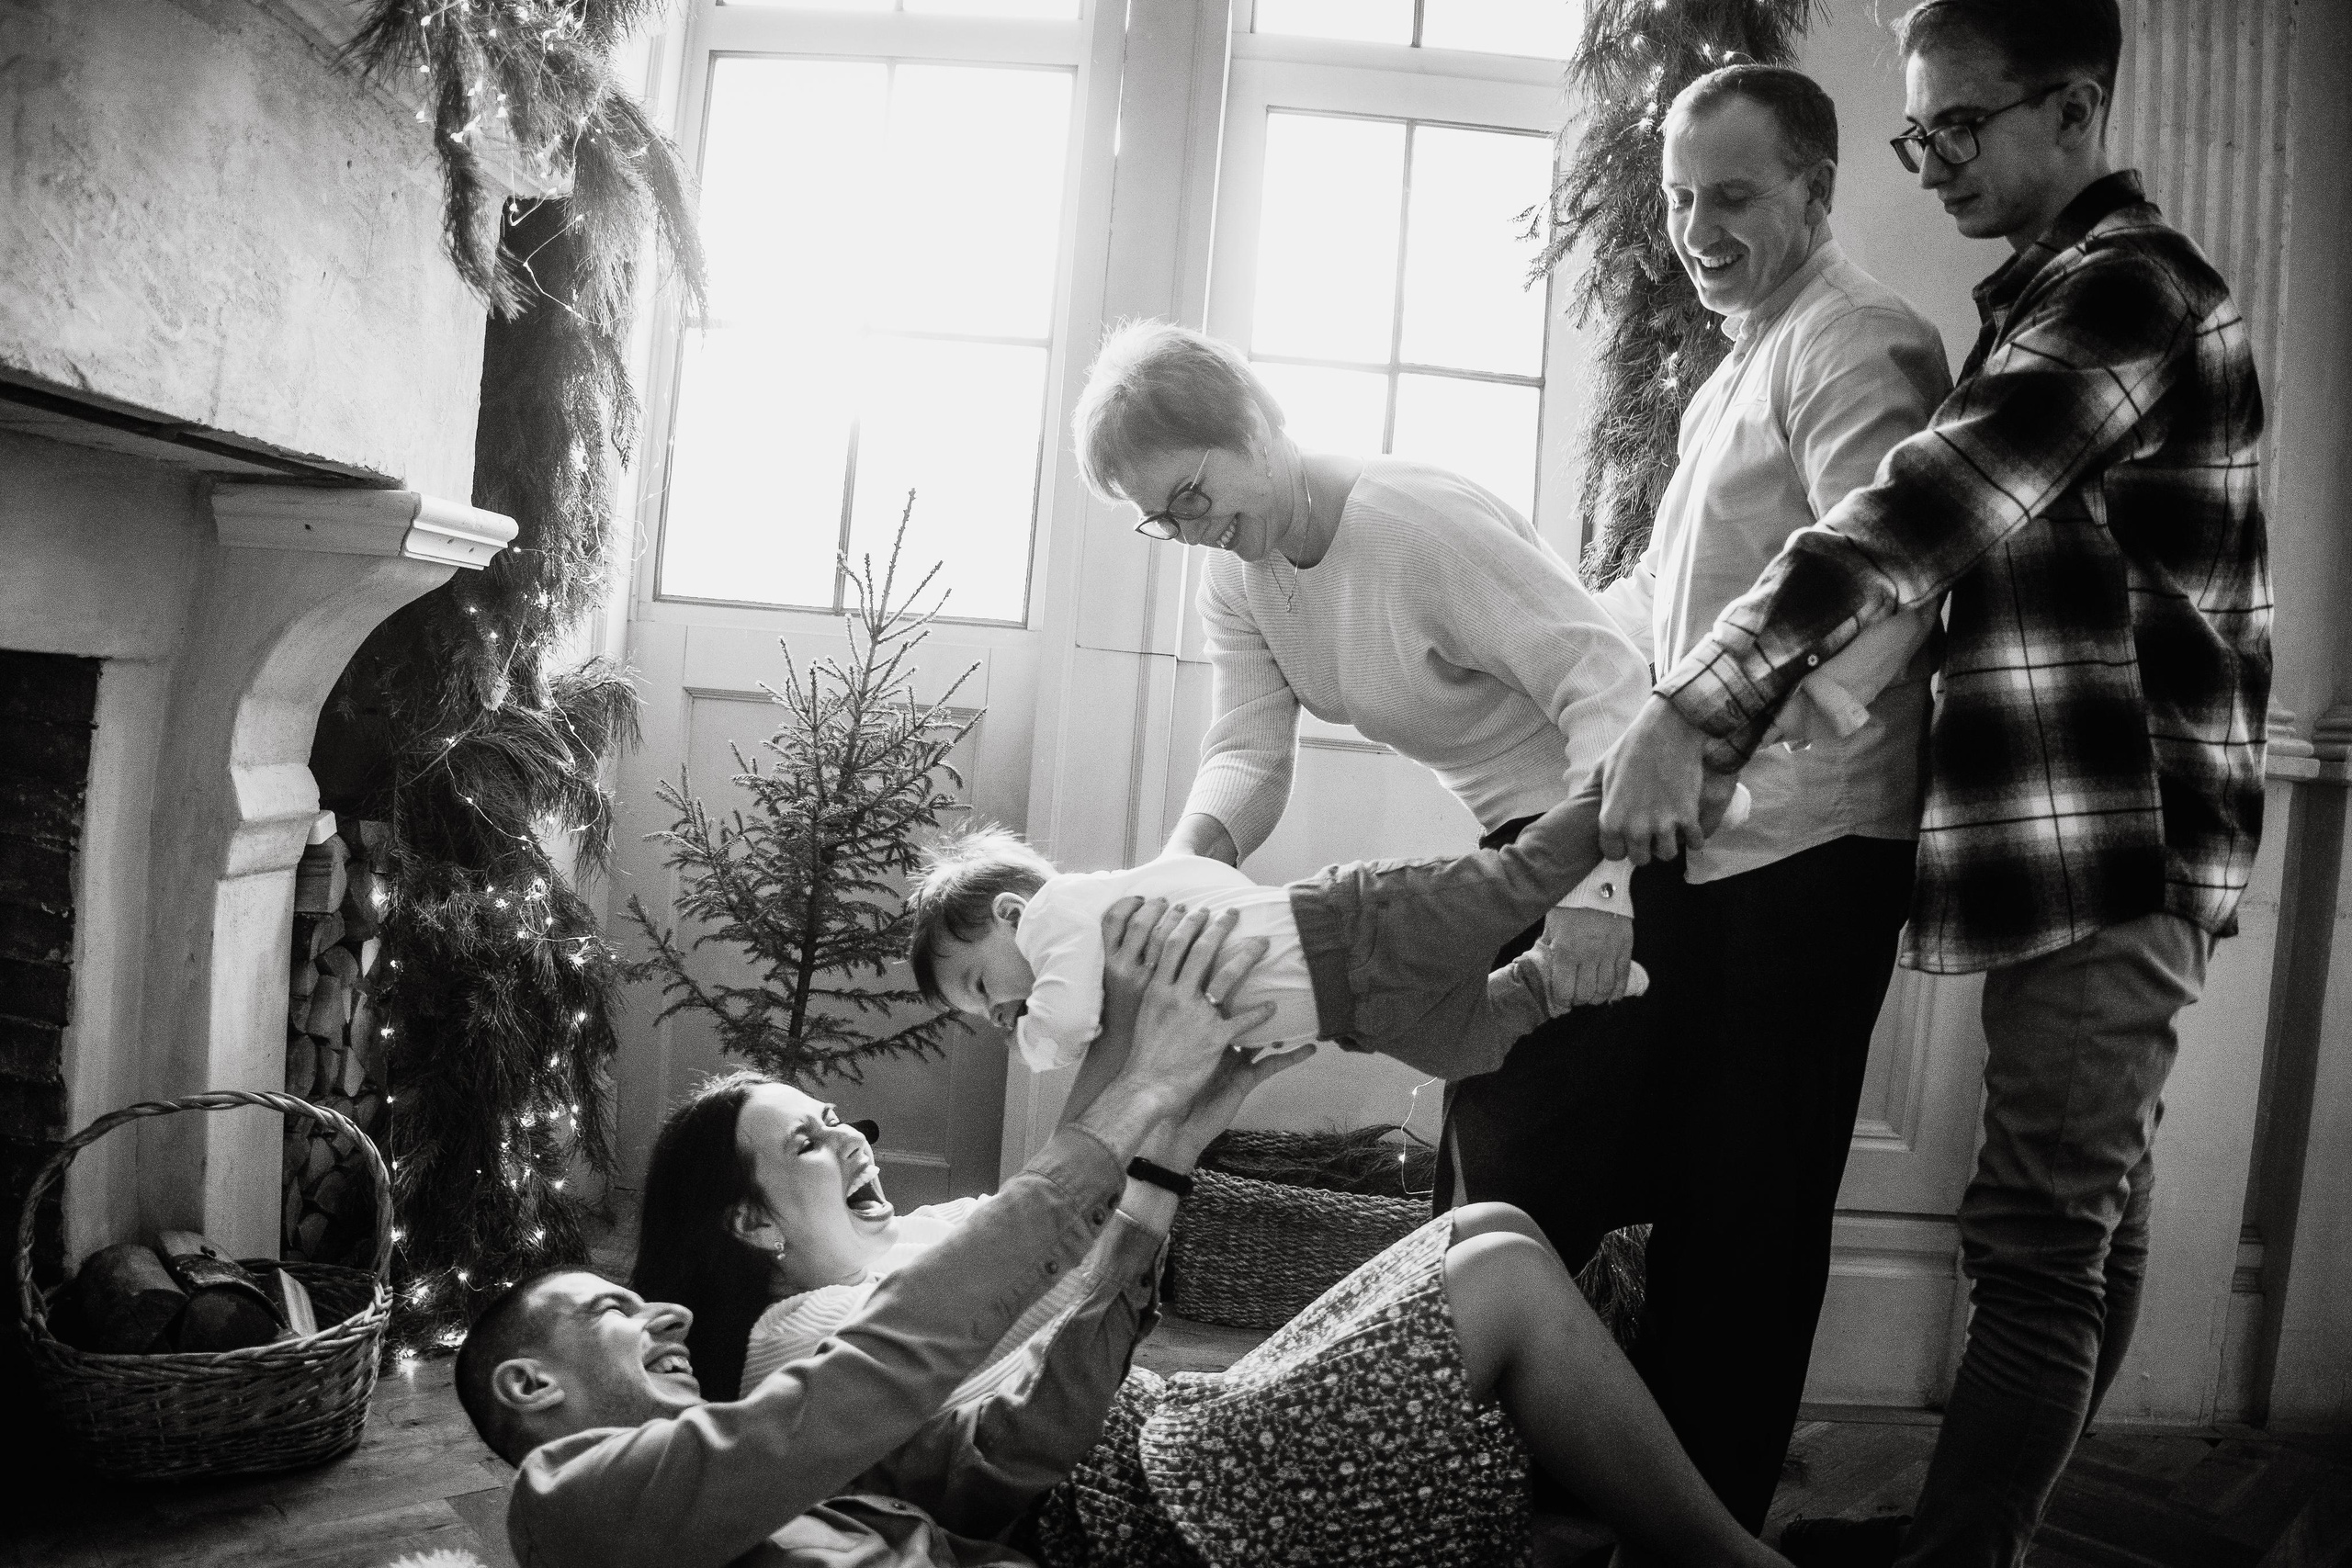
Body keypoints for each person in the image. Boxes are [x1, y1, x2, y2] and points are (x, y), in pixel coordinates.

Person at [1596, 4, 2270, 1564]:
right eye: (1922, 132)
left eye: (1958, 128)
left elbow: (1913, 518)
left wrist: (1694, 709)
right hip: (2082, 842)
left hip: (2114, 840)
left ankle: (1962, 1555)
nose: (1938, 160)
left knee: (2041, 1245)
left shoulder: (2127, 294)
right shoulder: (2048, 296)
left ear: (2077, 107)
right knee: (2083, 1230)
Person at [469, 902, 1801, 1568]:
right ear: (748, 1222)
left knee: (1494, 1236)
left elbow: (992, 1463)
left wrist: (1179, 1123)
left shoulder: (748, 1443)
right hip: (1153, 1496)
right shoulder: (597, 1481)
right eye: (609, 1313)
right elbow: (898, 1370)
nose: (662, 1316)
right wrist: (1135, 1111)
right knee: (1502, 1268)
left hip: (1135, 1448)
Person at [1537, 62, 1951, 1536]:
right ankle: (1625, 1484)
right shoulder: (1733, 360)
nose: (1695, 227)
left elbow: (1896, 587)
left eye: (1731, 196)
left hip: (1813, 848)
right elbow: (1671, 603)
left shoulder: (1856, 344)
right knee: (1616, 1152)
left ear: (1815, 192)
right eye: (1676, 198)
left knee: (1750, 1206)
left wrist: (1713, 751)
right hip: (1710, 853)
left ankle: (1702, 1525)